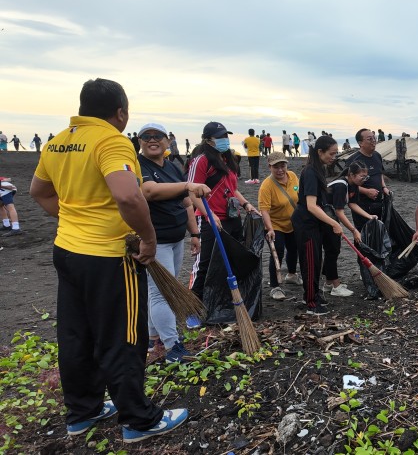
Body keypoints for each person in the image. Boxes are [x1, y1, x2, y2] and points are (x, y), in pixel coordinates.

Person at [29, 78, 187, 442]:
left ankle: (82, 412)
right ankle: (139, 420)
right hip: (109, 257)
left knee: (76, 334)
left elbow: (39, 191)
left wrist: (76, 220)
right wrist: (148, 238)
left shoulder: (58, 142)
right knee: (124, 337)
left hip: (67, 251)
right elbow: (129, 196)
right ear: (121, 113)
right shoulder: (111, 141)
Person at [137, 123, 209, 363]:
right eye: (146, 136)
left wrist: (194, 233)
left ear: (168, 141)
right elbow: (149, 191)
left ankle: (153, 338)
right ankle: (172, 347)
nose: (152, 139)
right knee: (162, 294)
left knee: (162, 290)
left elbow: (186, 203)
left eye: (157, 136)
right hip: (155, 241)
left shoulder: (172, 167)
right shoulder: (139, 166)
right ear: (140, 142)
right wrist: (188, 185)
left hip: (176, 238)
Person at [187, 122, 259, 326]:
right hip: (210, 219)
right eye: (220, 137)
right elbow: (192, 192)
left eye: (226, 136)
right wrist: (210, 215)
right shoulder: (201, 160)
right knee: (204, 263)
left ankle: (223, 302)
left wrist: (246, 204)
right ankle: (192, 310)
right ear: (208, 140)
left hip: (232, 217)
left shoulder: (227, 159)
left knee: (232, 260)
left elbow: (232, 188)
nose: (224, 140)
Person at [291, 136, 343, 315]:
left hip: (314, 222)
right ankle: (311, 302)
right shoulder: (311, 172)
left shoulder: (319, 168)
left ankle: (314, 294)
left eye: (336, 154)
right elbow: (311, 206)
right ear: (320, 152)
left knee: (316, 260)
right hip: (306, 223)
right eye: (331, 153)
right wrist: (334, 223)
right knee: (310, 261)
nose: (333, 157)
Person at [325, 162, 377, 299]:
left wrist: (369, 216)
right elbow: (339, 212)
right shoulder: (341, 185)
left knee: (333, 249)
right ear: (352, 175)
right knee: (332, 250)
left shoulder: (354, 185)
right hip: (324, 216)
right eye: (362, 177)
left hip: (331, 216)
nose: (364, 180)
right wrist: (354, 230)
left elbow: (352, 203)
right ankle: (335, 287)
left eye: (366, 177)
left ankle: (328, 283)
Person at [258, 152, 302, 301]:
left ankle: (291, 275)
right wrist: (270, 229)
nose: (280, 170)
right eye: (276, 167)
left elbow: (299, 196)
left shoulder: (293, 176)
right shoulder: (266, 186)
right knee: (278, 252)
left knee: (294, 249)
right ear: (269, 167)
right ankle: (275, 286)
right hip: (274, 224)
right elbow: (264, 210)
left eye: (283, 166)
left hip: (293, 222)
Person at [345, 128, 391, 233]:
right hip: (362, 205)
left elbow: (379, 174)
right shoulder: (354, 160)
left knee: (378, 231)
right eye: (369, 139)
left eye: (374, 138)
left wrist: (384, 187)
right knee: (364, 233)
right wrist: (366, 191)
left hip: (378, 203)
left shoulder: (377, 155)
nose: (373, 141)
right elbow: (348, 182)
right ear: (360, 143)